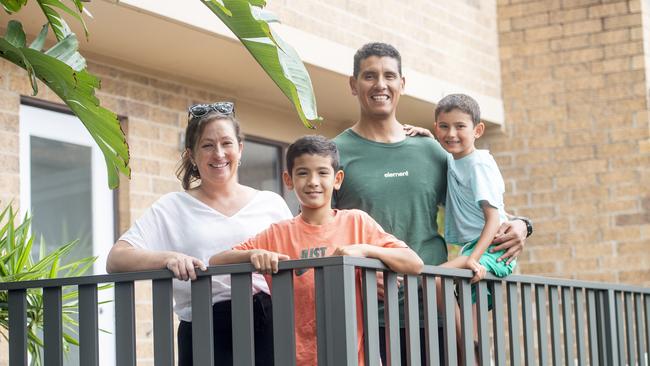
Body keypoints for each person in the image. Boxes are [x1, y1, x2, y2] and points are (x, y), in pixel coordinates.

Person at [333, 42, 532, 364]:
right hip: (367, 313)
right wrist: (357, 274)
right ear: (353, 85)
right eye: (369, 76)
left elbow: (478, 200)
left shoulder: (432, 151)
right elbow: (315, 230)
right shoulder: (335, 153)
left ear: (402, 84)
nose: (380, 85)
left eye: (389, 76)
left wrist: (523, 224)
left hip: (435, 313)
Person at [210, 135, 424, 366]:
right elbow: (216, 261)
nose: (313, 181)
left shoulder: (357, 222)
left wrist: (365, 250)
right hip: (295, 358)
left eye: (322, 173)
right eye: (303, 173)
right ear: (288, 180)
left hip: (354, 357)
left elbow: (414, 262)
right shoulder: (277, 233)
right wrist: (252, 255)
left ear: (337, 179)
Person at [106, 102, 293, 366]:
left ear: (240, 149)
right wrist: (168, 258)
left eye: (227, 143)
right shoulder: (172, 207)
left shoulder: (271, 203)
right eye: (207, 145)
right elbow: (116, 258)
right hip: (205, 333)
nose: (218, 154)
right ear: (191, 155)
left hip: (270, 328)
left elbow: (300, 258)